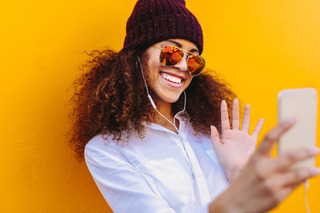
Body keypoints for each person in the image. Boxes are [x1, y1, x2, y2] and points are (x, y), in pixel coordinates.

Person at [69, 0, 320, 212]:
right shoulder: (105, 150)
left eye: (193, 58)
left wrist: (238, 173)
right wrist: (232, 202)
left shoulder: (214, 134)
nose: (182, 67)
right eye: (172, 51)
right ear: (137, 55)